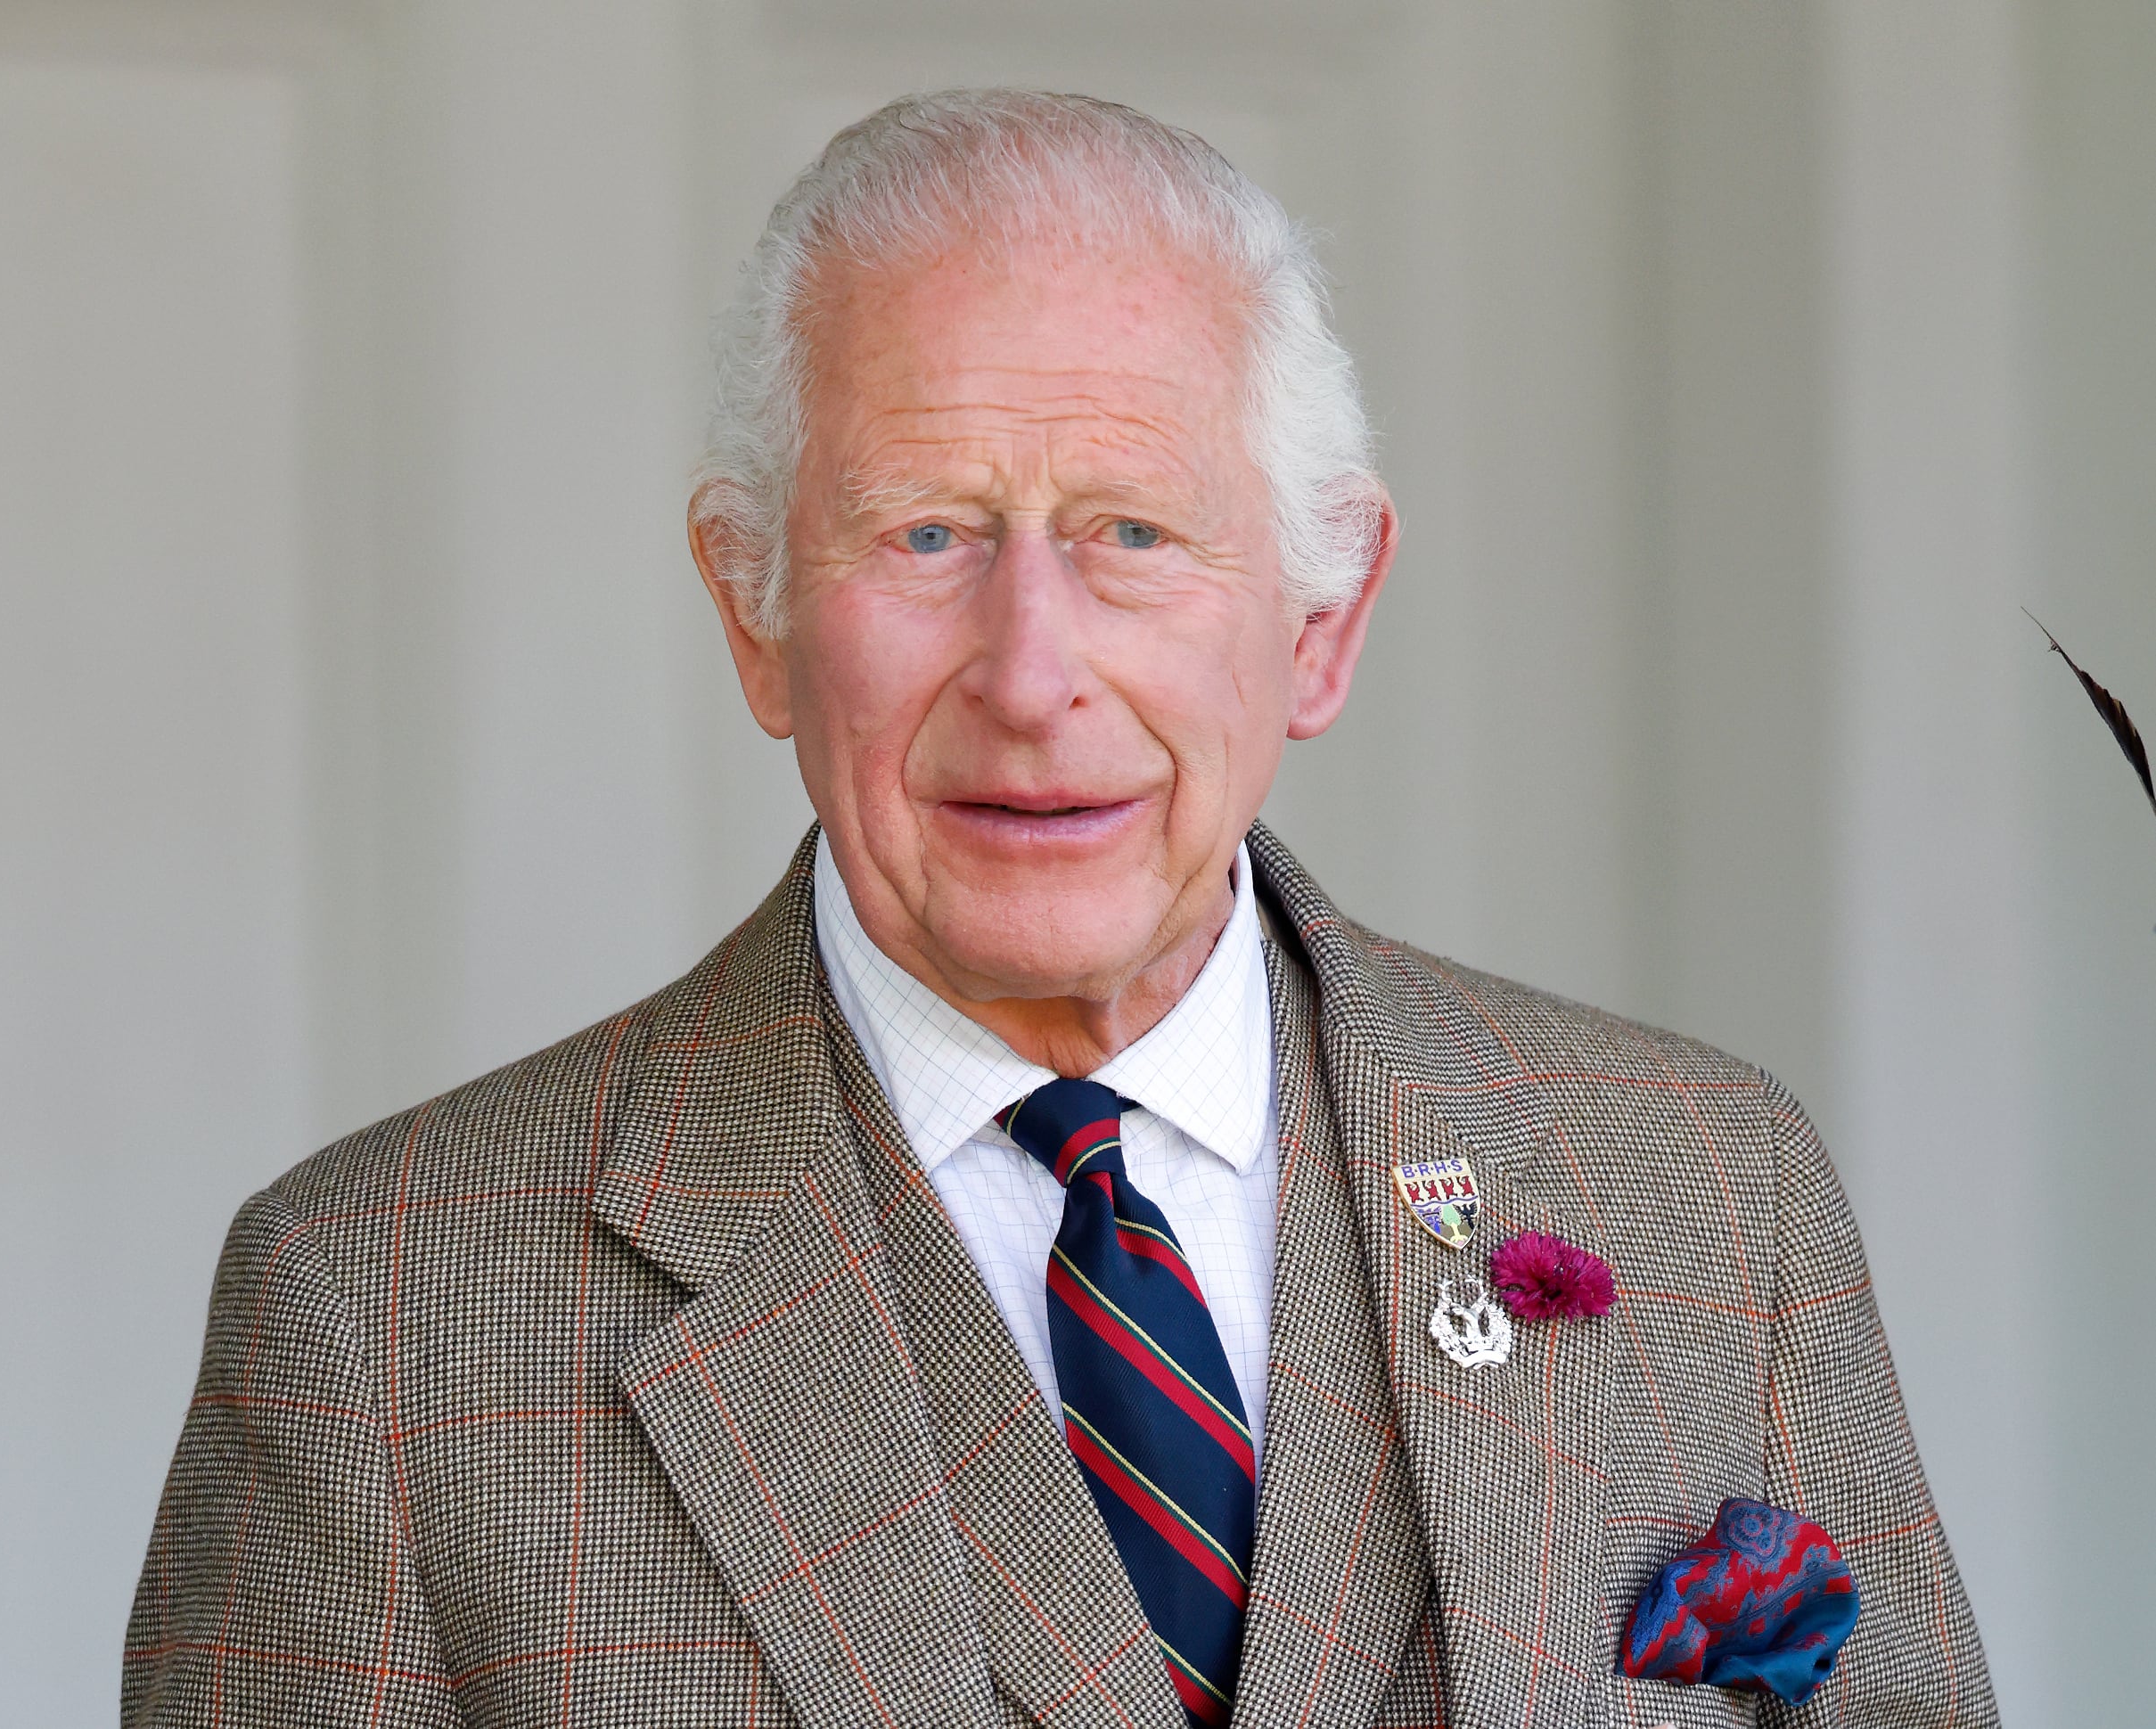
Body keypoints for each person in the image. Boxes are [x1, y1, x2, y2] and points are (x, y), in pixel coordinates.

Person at [124, 91, 1993, 1728]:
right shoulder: (378, 1315)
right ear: (753, 607)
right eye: (925, 532)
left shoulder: (1704, 1184)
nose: (1031, 672)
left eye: (1132, 532)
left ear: (1319, 621)